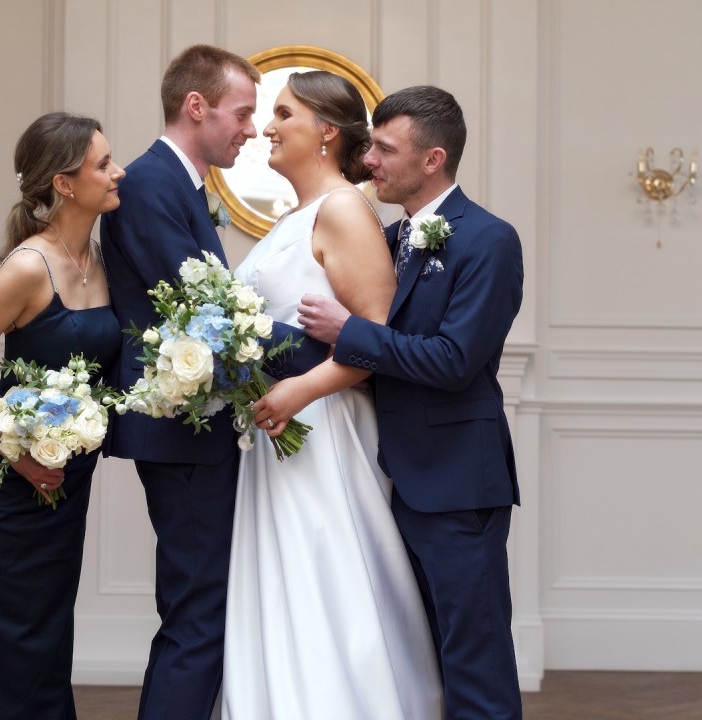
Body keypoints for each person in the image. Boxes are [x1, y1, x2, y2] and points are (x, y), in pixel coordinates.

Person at [260, 85, 525, 719]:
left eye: (384, 148)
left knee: (474, 654)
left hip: (458, 481)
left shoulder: (489, 239)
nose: (368, 159)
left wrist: (349, 333)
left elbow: (455, 362)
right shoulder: (386, 234)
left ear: (433, 160)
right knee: (418, 653)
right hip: (389, 477)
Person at [100, 45, 329, 720]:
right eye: (242, 112)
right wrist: (337, 355)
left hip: (194, 430)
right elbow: (211, 317)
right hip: (181, 432)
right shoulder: (149, 185)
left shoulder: (178, 187)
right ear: (194, 107)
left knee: (203, 608)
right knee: (198, 615)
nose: (253, 128)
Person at [218, 70, 444, 720]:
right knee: (284, 590)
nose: (268, 126)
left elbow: (372, 342)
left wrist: (296, 393)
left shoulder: (343, 208)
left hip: (320, 431)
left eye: (283, 113)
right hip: (278, 430)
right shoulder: (295, 217)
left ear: (326, 131)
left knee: (326, 583)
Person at [0, 112, 124, 720]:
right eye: (103, 164)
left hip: (66, 477)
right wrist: (19, 452)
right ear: (64, 183)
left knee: (45, 626)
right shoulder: (28, 267)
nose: (119, 174)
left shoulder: (104, 260)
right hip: (4, 481)